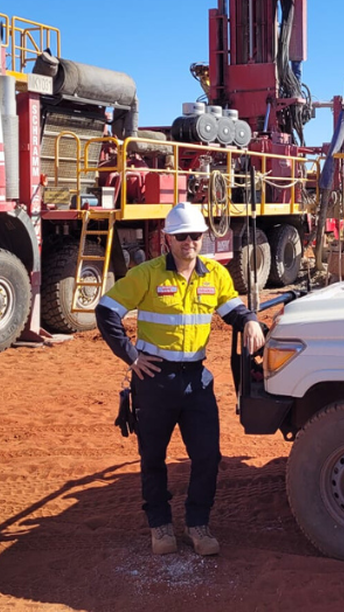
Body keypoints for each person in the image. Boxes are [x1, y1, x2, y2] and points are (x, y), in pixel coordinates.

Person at [95, 202, 265, 556]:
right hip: (155, 381)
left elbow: (232, 309)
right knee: (153, 457)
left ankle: (198, 524)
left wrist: (249, 319)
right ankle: (160, 527)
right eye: (181, 235)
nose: (189, 241)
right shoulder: (148, 274)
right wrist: (132, 356)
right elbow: (107, 311)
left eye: (195, 235)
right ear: (167, 239)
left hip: (197, 382)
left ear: (203, 236)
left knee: (207, 456)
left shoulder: (214, 275)